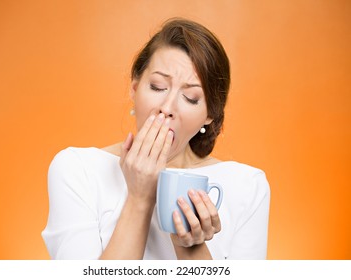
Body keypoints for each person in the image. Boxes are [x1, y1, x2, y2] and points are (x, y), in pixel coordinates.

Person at [42, 18, 270, 260]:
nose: (167, 107)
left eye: (191, 98)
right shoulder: (77, 169)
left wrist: (190, 244)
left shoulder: (248, 185)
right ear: (135, 87)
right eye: (158, 86)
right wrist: (140, 199)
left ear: (210, 116)